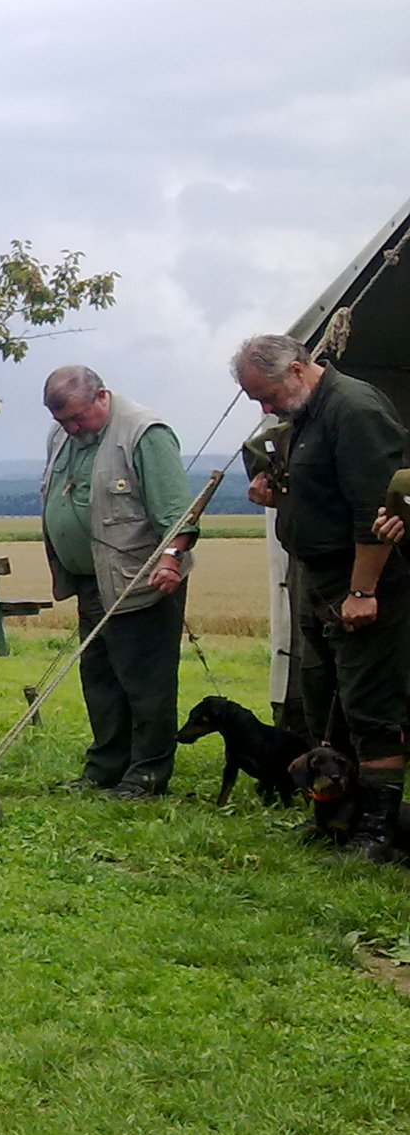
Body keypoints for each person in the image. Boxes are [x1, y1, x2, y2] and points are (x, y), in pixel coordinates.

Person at [237, 332, 410, 856]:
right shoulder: (306, 415)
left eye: (267, 395)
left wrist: (363, 590)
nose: (266, 409)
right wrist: (270, 490)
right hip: (320, 581)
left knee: (370, 706)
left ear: (296, 369)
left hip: (363, 581)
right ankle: (334, 815)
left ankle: (378, 829)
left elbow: (377, 512)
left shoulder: (352, 409)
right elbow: (318, 492)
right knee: (325, 703)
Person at [40, 365, 194, 800]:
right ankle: (105, 767)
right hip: (90, 580)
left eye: (78, 418)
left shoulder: (146, 433)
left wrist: (170, 560)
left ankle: (146, 775)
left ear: (102, 396)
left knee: (145, 682)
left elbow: (179, 513)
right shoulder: (62, 436)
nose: (71, 428)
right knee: (101, 679)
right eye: (63, 422)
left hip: (142, 581)